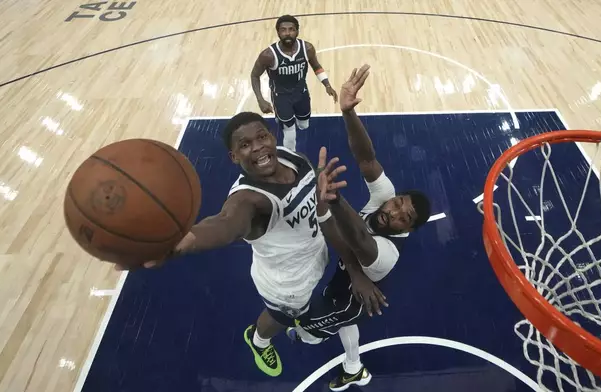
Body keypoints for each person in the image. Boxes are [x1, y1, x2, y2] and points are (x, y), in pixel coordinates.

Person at [124, 111, 383, 378]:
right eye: (245, 145)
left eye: (261, 137)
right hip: (286, 285)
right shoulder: (249, 199)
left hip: (315, 256)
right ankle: (259, 341)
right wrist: (183, 242)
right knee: (280, 318)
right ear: (233, 156)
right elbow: (224, 224)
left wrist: (321, 186)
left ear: (272, 136)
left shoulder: (292, 158)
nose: (258, 147)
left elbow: (319, 207)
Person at [289, 64, 432, 391]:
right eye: (398, 203)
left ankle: (307, 336)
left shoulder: (387, 254)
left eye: (403, 217)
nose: (394, 212)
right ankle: (354, 368)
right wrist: (348, 113)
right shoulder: (386, 197)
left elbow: (354, 238)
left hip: (350, 295)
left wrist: (333, 201)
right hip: (352, 279)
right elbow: (366, 159)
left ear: (407, 227)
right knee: (347, 322)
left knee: (310, 329)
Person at [250, 14, 338, 151]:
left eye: (291, 29)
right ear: (278, 32)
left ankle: (288, 119)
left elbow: (316, 66)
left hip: (301, 93)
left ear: (297, 31)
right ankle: (291, 157)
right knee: (289, 131)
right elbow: (254, 75)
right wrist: (260, 99)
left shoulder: (307, 48)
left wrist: (327, 84)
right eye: (283, 30)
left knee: (304, 125)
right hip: (281, 97)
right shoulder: (268, 55)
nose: (287, 33)